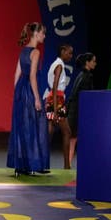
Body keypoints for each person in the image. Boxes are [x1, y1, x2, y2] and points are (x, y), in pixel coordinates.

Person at [6, 22, 50, 176]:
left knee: (22, 127)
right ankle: (32, 165)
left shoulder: (23, 51)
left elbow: (16, 74)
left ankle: (21, 166)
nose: (44, 36)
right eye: (43, 33)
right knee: (34, 126)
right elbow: (32, 76)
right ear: (36, 34)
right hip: (30, 91)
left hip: (20, 90)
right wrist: (37, 98)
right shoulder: (35, 52)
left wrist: (17, 92)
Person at [43, 42, 73, 171]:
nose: (71, 56)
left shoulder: (55, 64)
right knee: (67, 132)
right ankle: (66, 166)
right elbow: (55, 87)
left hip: (52, 98)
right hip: (57, 99)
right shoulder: (59, 65)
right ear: (63, 51)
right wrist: (56, 110)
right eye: (69, 53)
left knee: (49, 132)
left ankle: (42, 161)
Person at [65, 51, 95, 170]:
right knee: (73, 139)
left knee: (73, 139)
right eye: (93, 61)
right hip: (78, 111)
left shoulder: (81, 75)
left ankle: (68, 165)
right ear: (87, 62)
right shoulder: (87, 76)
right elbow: (85, 96)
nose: (95, 63)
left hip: (74, 110)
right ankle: (68, 165)